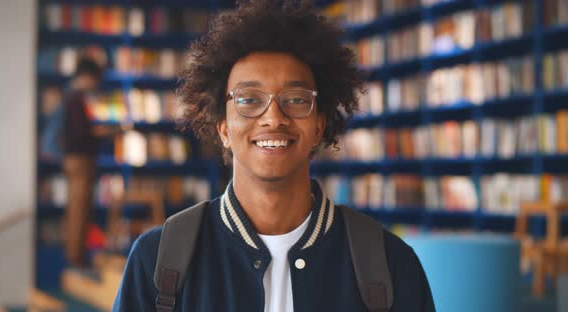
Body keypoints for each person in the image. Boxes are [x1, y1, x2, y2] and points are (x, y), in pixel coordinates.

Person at [113, 1, 435, 311]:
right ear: (223, 128)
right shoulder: (157, 260)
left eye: (295, 99)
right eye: (249, 99)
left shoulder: (389, 263)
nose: (273, 118)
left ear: (319, 126)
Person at [62, 57, 104, 267]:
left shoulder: (72, 98)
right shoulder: (76, 99)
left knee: (77, 207)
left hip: (74, 159)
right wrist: (99, 134)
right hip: (80, 159)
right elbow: (80, 134)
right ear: (86, 77)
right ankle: (76, 259)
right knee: (79, 208)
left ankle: (76, 256)